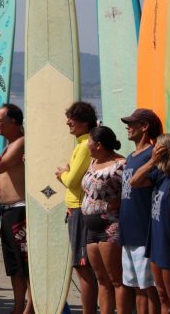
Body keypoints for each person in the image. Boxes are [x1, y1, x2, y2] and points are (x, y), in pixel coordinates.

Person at [130, 133, 170, 313]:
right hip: (155, 241)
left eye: (158, 147)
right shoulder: (159, 175)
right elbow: (134, 181)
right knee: (162, 294)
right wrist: (152, 162)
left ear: (167, 151)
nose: (153, 150)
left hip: (168, 243)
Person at [0, 103, 32, 313]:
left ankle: (29, 307)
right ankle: (17, 305)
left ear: (13, 121)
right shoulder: (10, 144)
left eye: (0, 120)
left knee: (25, 263)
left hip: (20, 208)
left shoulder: (20, 142)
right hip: (8, 210)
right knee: (14, 265)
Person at [54, 101, 98, 314]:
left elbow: (72, 181)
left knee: (82, 266)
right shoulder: (82, 144)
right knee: (83, 267)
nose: (67, 122)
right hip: (77, 208)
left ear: (84, 122)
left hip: (80, 208)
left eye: (72, 118)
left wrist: (61, 173)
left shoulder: (84, 146)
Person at [119, 108, 163, 313]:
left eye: (132, 123)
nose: (127, 127)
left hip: (144, 231)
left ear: (144, 127)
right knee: (136, 287)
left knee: (150, 288)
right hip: (128, 232)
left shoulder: (152, 154)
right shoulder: (131, 155)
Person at [82, 126, 127, 314]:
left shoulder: (120, 164)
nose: (86, 145)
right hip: (90, 227)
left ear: (98, 144)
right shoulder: (93, 162)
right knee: (101, 279)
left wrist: (120, 201)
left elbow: (130, 191)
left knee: (116, 279)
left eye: (89, 141)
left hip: (110, 226)